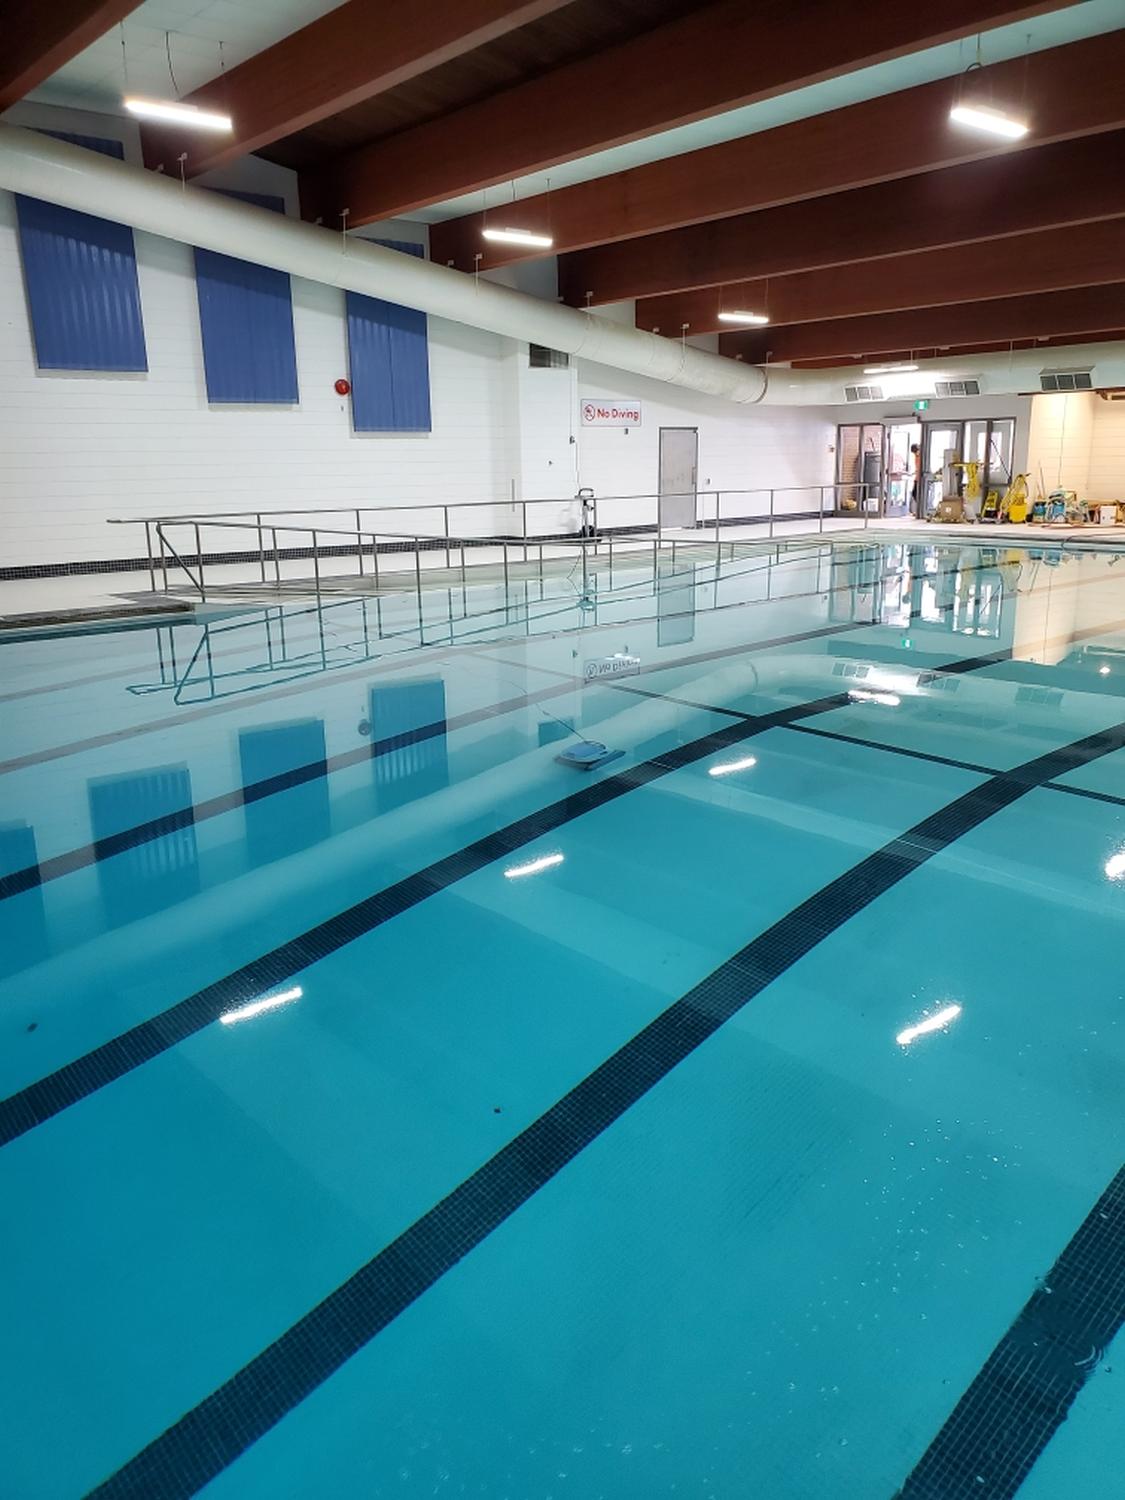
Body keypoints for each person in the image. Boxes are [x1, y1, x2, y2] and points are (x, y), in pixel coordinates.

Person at [910, 444, 923, 515]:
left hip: (920, 478)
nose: (915, 454)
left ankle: (920, 510)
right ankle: (918, 510)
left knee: (917, 494)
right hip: (917, 478)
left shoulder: (922, 457)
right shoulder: (916, 457)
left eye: (916, 452)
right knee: (914, 494)